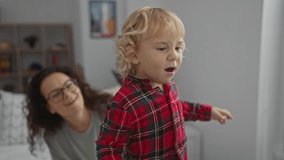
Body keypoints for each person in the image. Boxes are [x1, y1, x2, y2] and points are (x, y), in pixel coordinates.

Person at [96, 6, 233, 160]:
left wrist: (208, 112)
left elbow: (179, 109)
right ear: (133, 54)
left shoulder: (170, 86)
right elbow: (107, 147)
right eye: (162, 48)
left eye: (178, 47)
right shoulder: (124, 103)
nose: (174, 55)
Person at [25, 66, 112, 160]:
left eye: (69, 85)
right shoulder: (54, 137)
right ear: (49, 107)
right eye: (56, 94)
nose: (67, 94)